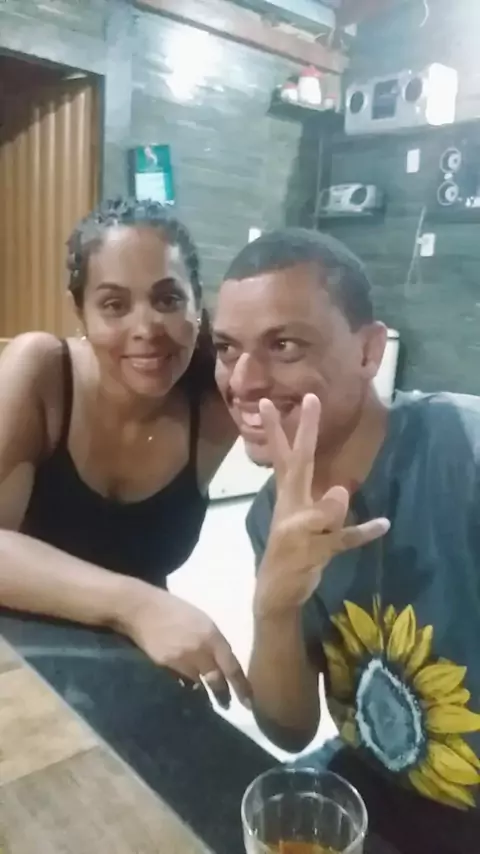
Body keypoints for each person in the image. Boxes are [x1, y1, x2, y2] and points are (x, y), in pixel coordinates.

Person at [213, 227, 480, 853]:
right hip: (370, 790)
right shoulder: (272, 514)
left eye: (283, 345)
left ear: (368, 351)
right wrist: (274, 606)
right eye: (226, 349)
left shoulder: (462, 454)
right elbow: (288, 729)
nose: (243, 381)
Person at [0, 198, 250, 708]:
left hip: (131, 658)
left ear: (196, 305)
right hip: (16, 651)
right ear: (80, 312)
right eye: (114, 304)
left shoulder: (216, 399)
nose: (147, 328)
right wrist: (136, 605)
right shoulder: (43, 370)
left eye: (167, 299)